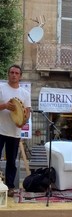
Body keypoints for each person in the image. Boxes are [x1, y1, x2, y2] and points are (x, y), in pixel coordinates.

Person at [0, 64, 31, 197]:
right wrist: (5, 105)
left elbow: (27, 112)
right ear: (8, 74)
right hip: (0, 130)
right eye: (12, 72)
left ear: (20, 76)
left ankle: (10, 186)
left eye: (16, 73)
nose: (14, 75)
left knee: (11, 161)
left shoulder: (25, 93)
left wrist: (22, 122)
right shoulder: (1, 88)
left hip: (14, 132)